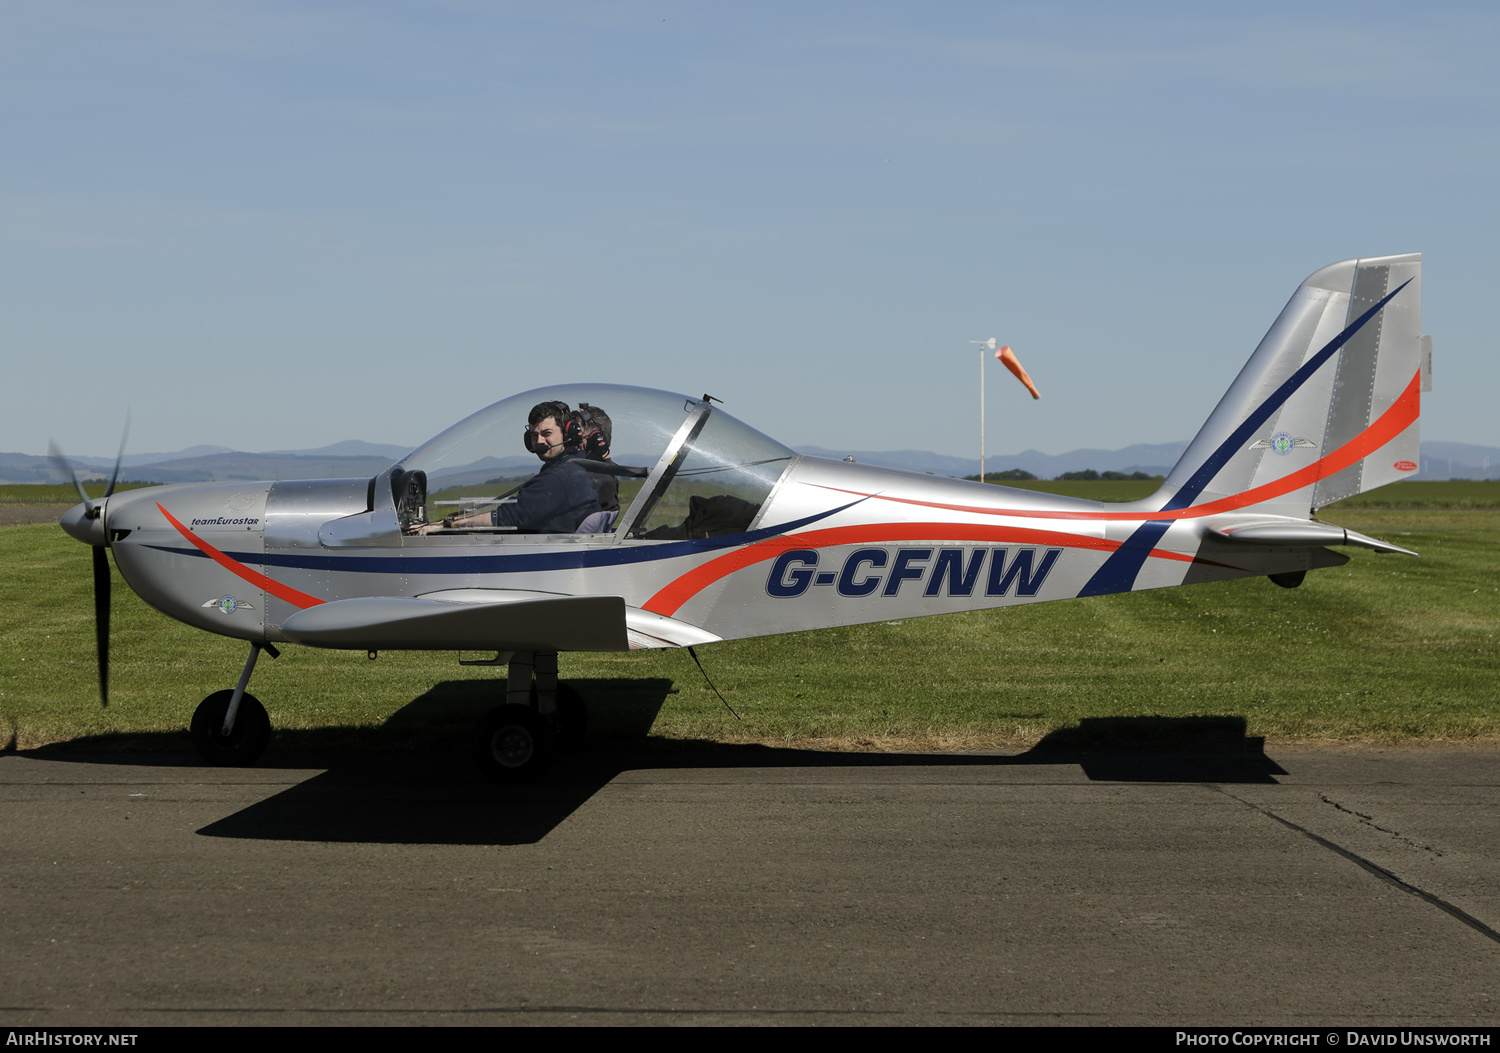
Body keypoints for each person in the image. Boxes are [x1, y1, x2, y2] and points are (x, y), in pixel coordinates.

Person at [417, 400, 600, 534]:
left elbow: (507, 518)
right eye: (534, 435)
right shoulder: (575, 466)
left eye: (547, 434)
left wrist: (446, 524)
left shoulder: (559, 477)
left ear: (567, 433)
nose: (539, 441)